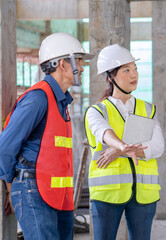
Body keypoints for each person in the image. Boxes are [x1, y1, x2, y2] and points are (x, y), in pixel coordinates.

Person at [0, 32, 93, 239]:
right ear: (62, 64)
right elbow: (5, 147)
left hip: (58, 196)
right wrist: (10, 186)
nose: (83, 67)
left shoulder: (61, 101)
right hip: (34, 192)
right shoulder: (38, 99)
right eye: (78, 60)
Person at [84, 44, 165, 240]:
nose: (133, 75)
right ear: (110, 76)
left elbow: (158, 147)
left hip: (144, 194)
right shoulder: (97, 111)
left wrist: (118, 151)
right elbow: (104, 132)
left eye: (135, 69)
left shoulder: (147, 109)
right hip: (107, 194)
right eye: (126, 70)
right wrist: (122, 146)